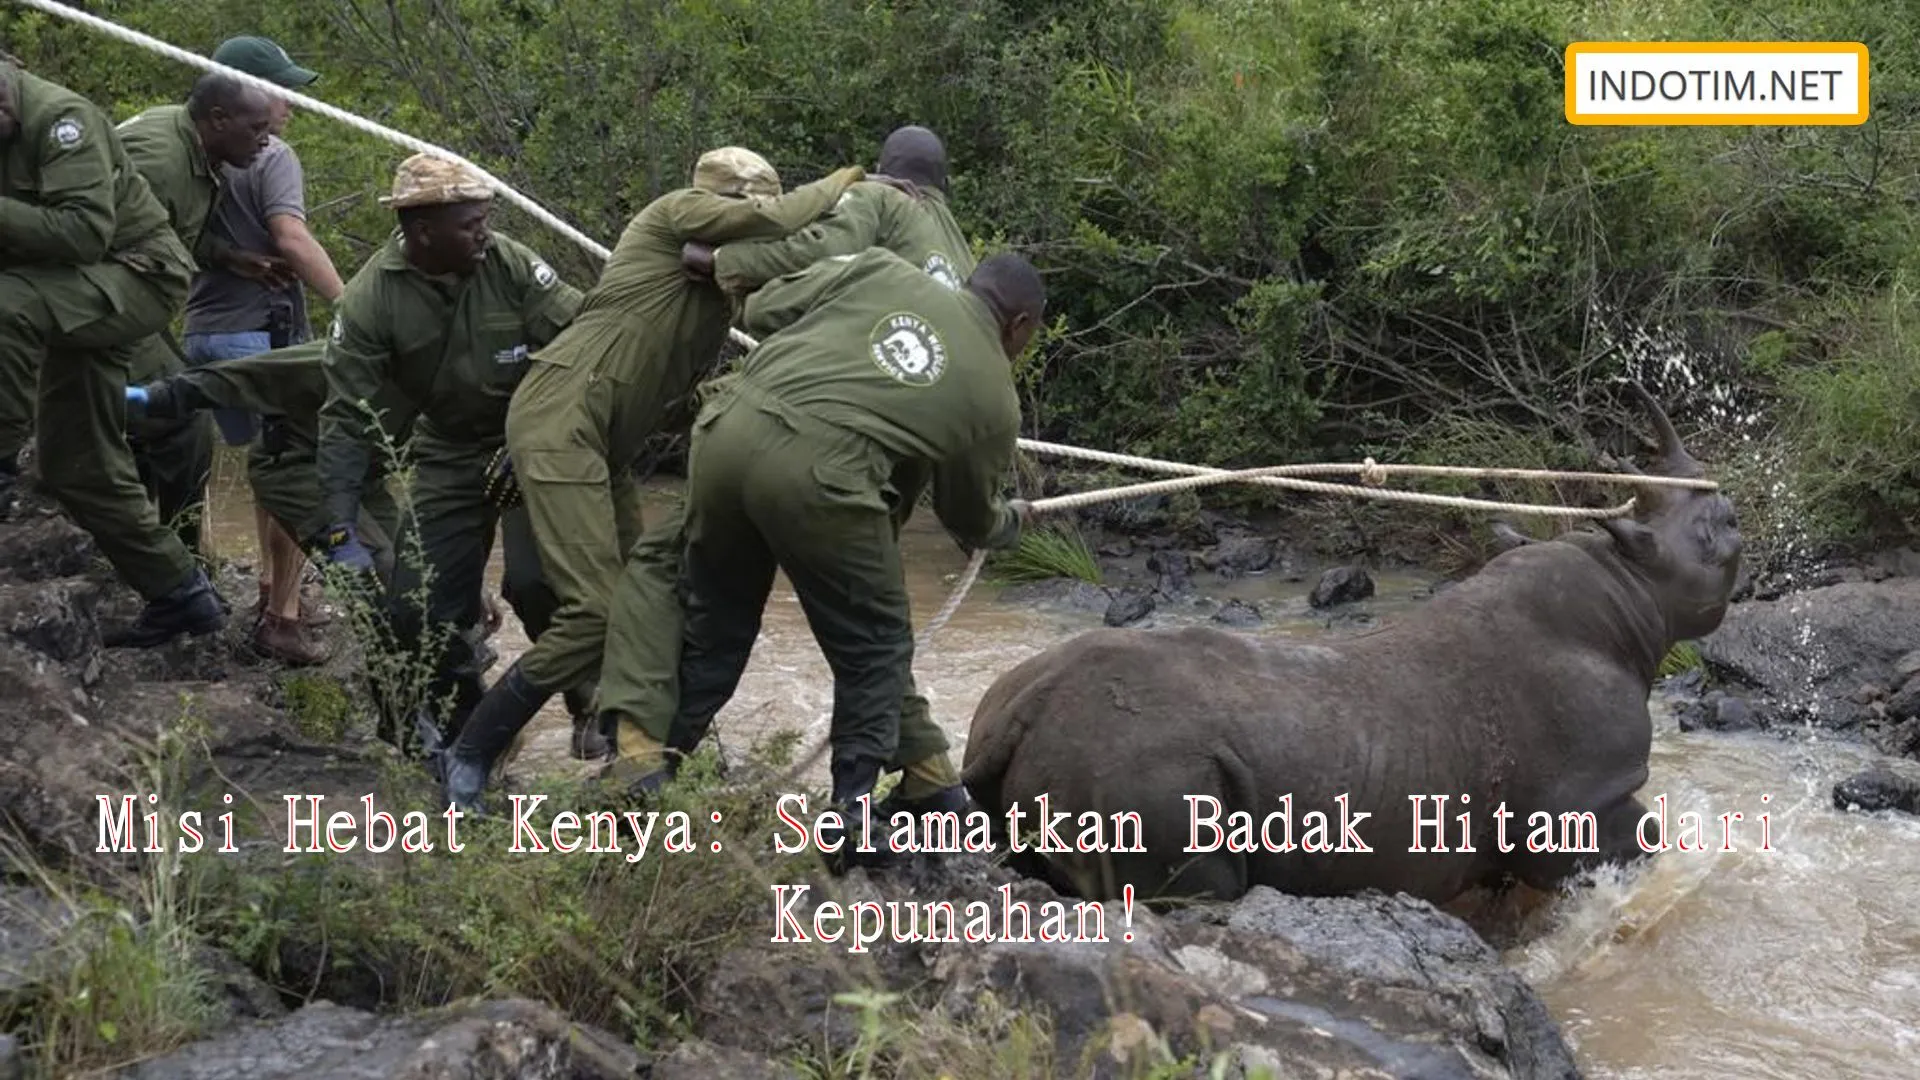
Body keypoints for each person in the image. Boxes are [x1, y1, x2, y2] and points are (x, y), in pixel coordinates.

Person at [435, 147, 874, 812]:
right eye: (742, 210)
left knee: (644, 595)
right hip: (563, 418)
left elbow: (793, 274)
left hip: (600, 445)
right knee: (597, 611)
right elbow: (784, 219)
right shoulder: (669, 215)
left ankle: (631, 744)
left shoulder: (723, 278)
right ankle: (470, 753)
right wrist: (856, 183)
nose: (748, 222)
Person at [597, 125, 981, 816]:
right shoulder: (952, 246)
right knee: (865, 627)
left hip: (812, 435)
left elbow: (814, 257)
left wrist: (726, 265)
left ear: (891, 173)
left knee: (671, 570)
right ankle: (926, 771)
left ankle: (642, 758)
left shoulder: (879, 200)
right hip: (891, 457)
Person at [660, 246, 1040, 862]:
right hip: (819, 476)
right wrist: (1009, 526)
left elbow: (772, 305)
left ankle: (644, 782)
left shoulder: (886, 270)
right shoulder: (995, 395)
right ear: (1019, 326)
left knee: (715, 635)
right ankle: (851, 824)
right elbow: (967, 515)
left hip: (724, 433)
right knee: (877, 649)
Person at [314, 152, 584, 757]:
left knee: (538, 584)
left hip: (532, 441)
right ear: (421, 230)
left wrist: (540, 433)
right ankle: (469, 723)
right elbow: (346, 416)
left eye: (486, 219)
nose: (485, 232)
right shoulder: (370, 300)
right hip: (449, 450)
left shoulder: (509, 263)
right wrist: (340, 526)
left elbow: (581, 341)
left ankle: (590, 702)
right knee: (416, 607)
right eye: (470, 224)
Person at [0, 57, 226, 645]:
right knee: (78, 462)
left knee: (5, 303)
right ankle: (180, 594)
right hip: (72, 290)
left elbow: (82, 233)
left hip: (135, 275)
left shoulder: (61, 120)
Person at [185, 35, 346, 663]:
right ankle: (282, 615)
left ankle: (265, 589)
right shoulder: (270, 155)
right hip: (265, 336)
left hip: (204, 334)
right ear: (248, 90)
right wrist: (353, 305)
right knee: (294, 469)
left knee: (260, 469)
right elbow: (292, 237)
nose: (291, 108)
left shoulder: (197, 155)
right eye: (283, 92)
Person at [113, 71, 277, 569]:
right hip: (107, 308)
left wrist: (228, 257)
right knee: (180, 413)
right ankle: (181, 560)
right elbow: (102, 243)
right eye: (256, 128)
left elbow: (168, 231)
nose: (266, 140)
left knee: (149, 419)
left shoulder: (196, 150)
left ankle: (139, 553)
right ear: (218, 119)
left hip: (133, 305)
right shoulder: (160, 161)